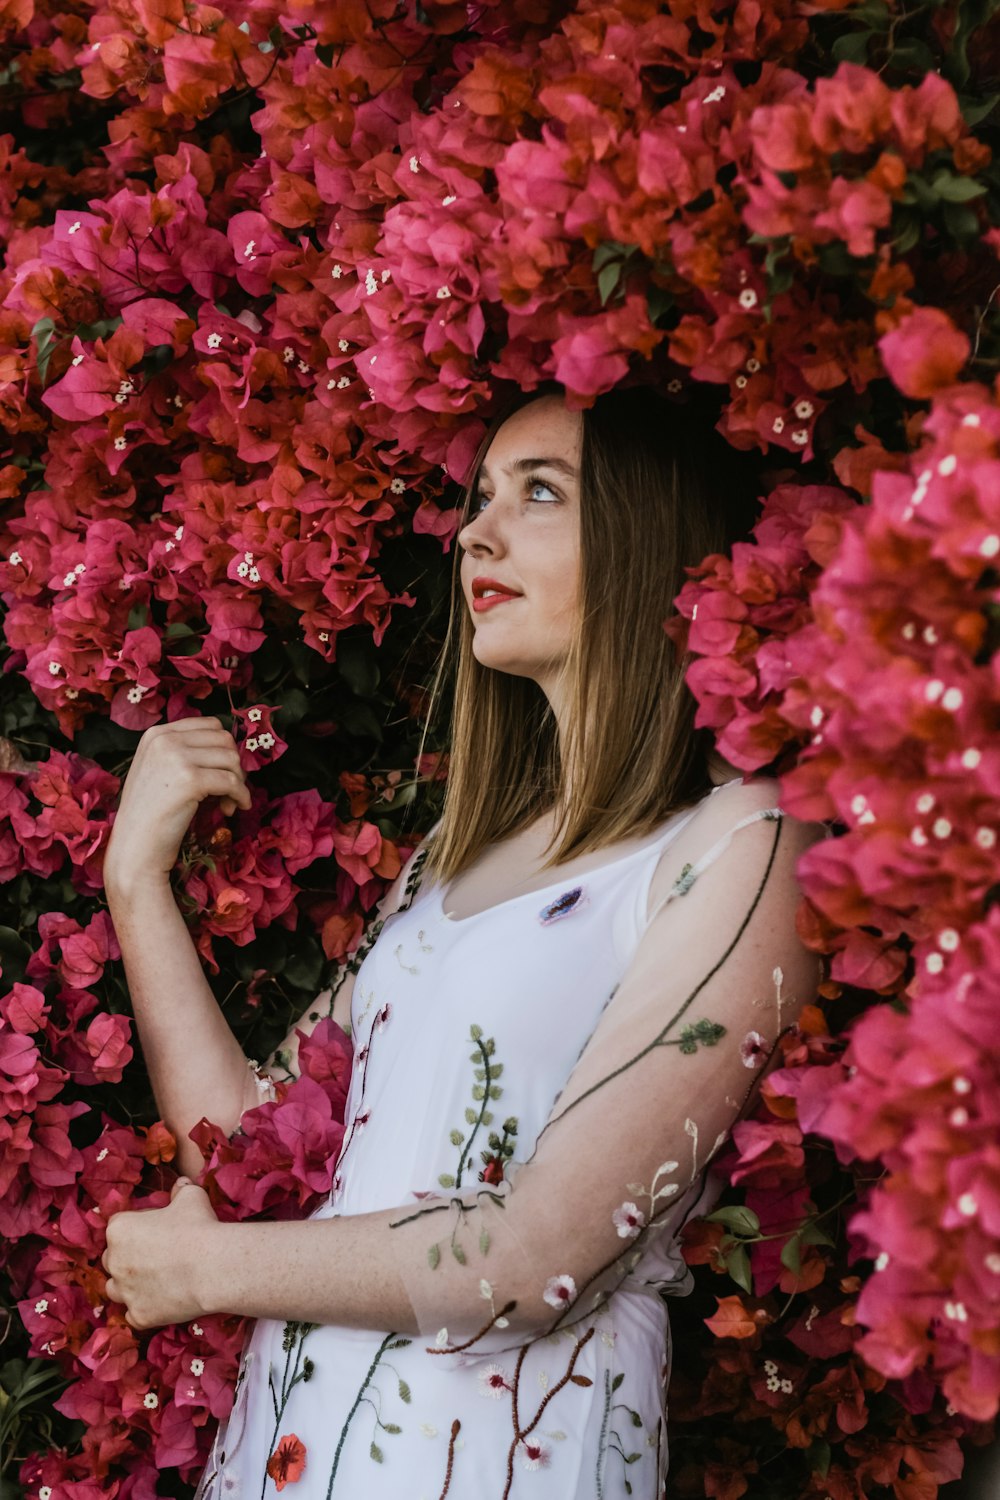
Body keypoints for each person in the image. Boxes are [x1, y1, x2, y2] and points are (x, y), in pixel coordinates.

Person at [101, 380, 828, 1500]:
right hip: (287, 1451)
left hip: (498, 1461)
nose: (478, 532)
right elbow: (244, 1151)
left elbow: (539, 1257)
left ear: (655, 538)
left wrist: (205, 1269)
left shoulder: (734, 843)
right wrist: (136, 883)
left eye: (540, 492)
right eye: (482, 495)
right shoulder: (448, 859)